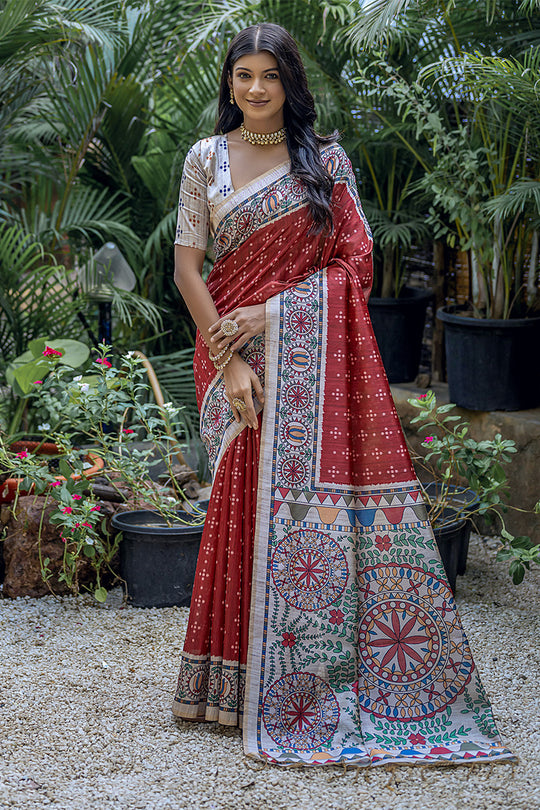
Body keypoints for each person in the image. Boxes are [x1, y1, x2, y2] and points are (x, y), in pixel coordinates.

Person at [172, 23, 514, 767]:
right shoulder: (205, 159)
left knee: (288, 508)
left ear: (290, 83)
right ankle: (228, 682)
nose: (256, 89)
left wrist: (273, 313)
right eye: (243, 75)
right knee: (238, 495)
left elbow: (355, 265)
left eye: (270, 75)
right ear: (229, 81)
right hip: (228, 351)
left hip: (304, 351)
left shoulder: (326, 161)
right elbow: (187, 270)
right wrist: (230, 360)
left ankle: (300, 683)